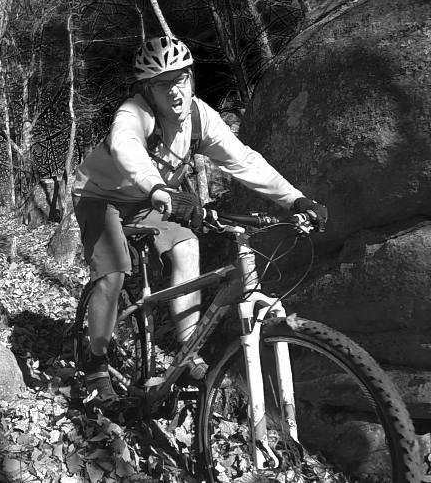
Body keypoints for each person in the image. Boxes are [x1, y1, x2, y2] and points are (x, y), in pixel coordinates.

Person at [71, 35, 327, 402]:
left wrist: (296, 199)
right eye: (162, 83)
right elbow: (126, 149)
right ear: (147, 89)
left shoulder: (200, 116)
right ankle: (95, 365)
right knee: (112, 273)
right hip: (100, 195)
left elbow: (244, 161)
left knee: (188, 247)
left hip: (151, 198)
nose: (175, 90)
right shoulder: (134, 113)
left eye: (181, 78)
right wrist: (161, 191)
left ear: (191, 78)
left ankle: (188, 350)